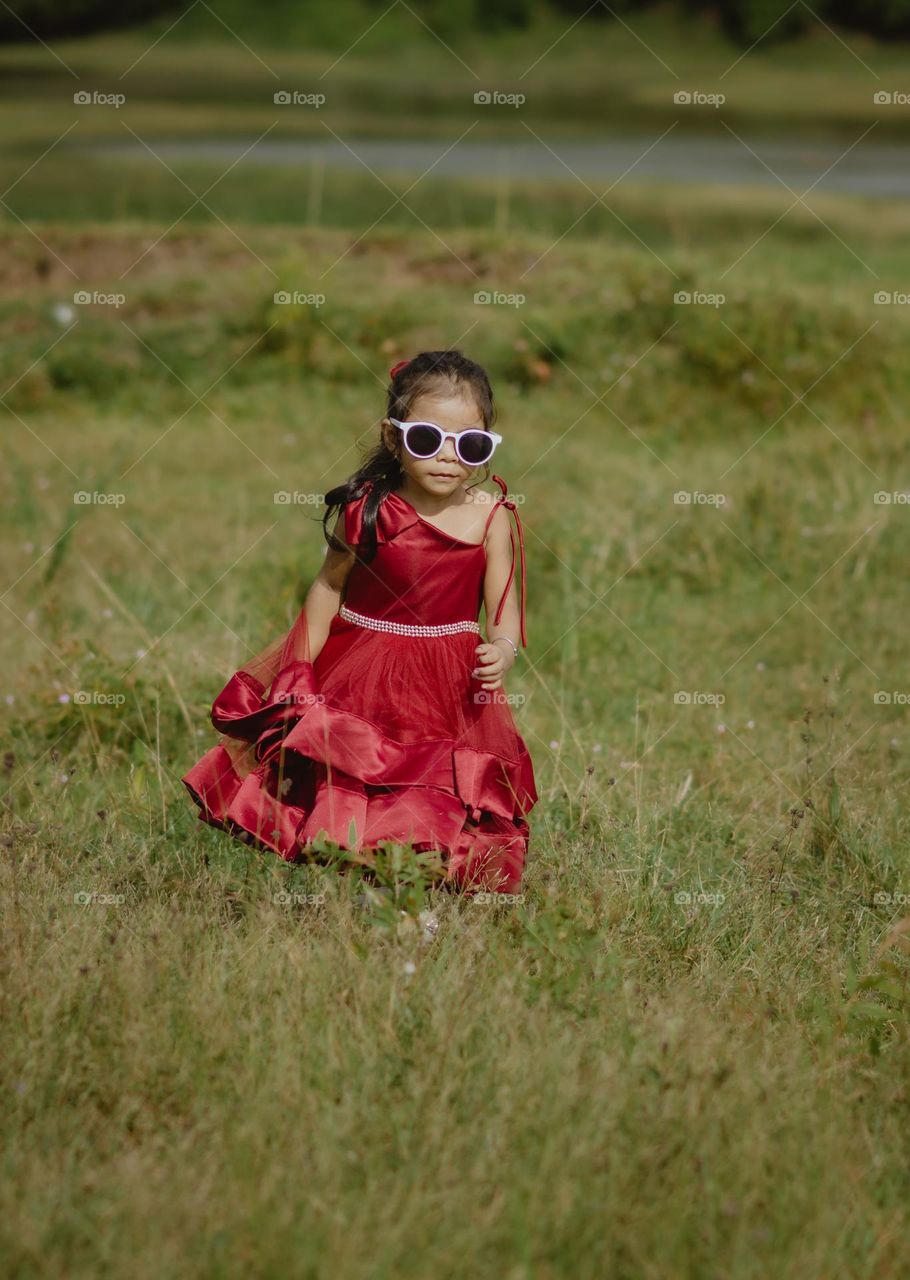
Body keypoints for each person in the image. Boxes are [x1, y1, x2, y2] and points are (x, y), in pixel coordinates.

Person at [181, 349, 537, 894]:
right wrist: (298, 665)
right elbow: (329, 587)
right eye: (427, 439)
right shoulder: (369, 508)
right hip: (361, 665)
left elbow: (504, 604)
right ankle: (362, 890)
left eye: (470, 445)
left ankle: (416, 894)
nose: (448, 458)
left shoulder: (491, 517)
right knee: (358, 774)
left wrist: (505, 647)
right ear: (393, 438)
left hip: (450, 679)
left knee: (434, 782)